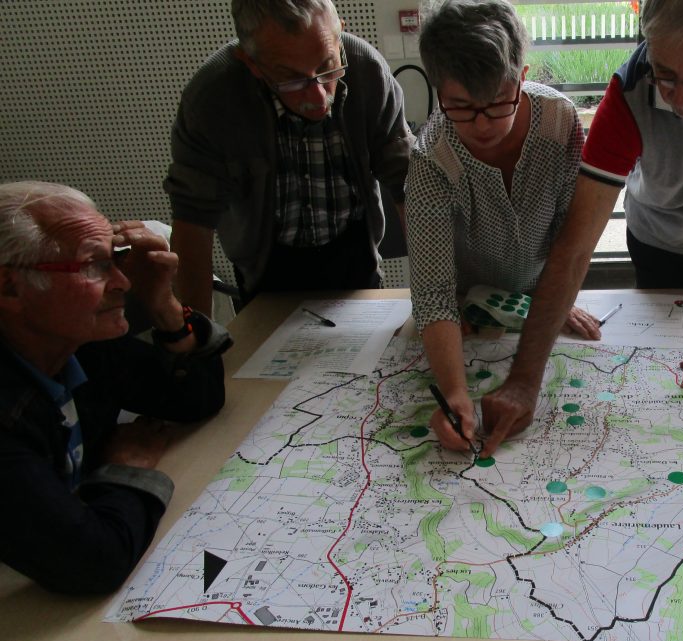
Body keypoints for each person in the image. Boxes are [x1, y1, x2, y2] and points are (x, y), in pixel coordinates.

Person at [476, 0, 683, 456]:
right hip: (656, 237)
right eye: (665, 74)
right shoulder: (630, 90)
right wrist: (524, 382)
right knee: (666, 361)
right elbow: (575, 245)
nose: (679, 97)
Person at [0, 181, 232, 594]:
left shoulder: (76, 344)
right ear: (10, 287)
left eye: (117, 259)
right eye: (95, 265)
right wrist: (126, 466)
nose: (123, 282)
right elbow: (93, 563)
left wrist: (164, 305)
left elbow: (196, 399)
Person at [406, 0, 593, 454]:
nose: (483, 124)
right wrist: (453, 391)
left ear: (522, 76)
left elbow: (573, 234)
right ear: (438, 91)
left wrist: (555, 297)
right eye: (461, 107)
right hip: (467, 306)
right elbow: (432, 291)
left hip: (541, 289)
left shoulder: (560, 121)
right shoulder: (432, 157)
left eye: (497, 103)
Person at [167, 0, 414, 314]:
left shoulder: (366, 69)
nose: (318, 97)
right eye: (292, 79)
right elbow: (192, 223)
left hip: (356, 263)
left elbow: (409, 186)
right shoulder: (212, 98)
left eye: (327, 67)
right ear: (251, 62)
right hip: (265, 276)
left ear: (340, 35)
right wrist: (196, 339)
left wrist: (436, 298)